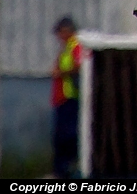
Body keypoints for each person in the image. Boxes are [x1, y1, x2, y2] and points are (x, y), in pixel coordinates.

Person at [51, 16, 84, 179]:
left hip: (70, 97)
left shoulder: (75, 46)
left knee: (67, 136)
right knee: (61, 136)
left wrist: (61, 73)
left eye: (60, 32)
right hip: (62, 97)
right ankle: (61, 170)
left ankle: (65, 170)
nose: (58, 36)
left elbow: (79, 66)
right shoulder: (66, 48)